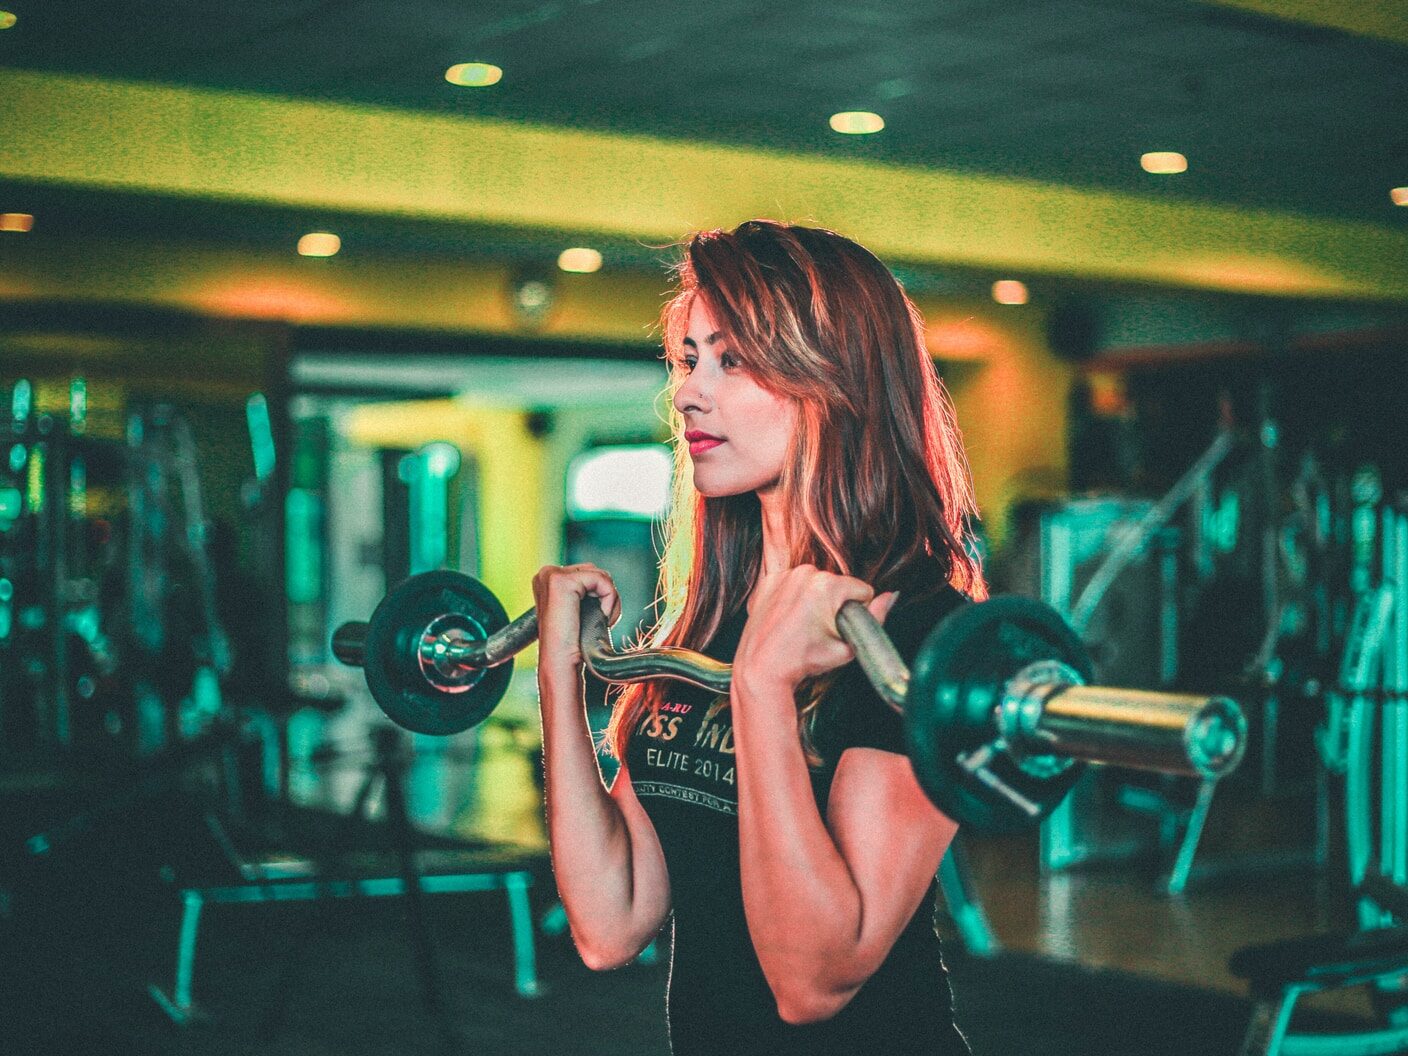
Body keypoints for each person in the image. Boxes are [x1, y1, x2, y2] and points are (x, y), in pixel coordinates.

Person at [533, 219, 986, 1055]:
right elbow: (609, 921)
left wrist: (762, 691)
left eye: (731, 359)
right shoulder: (713, 621)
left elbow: (815, 980)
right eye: (688, 359)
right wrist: (559, 678)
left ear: (833, 377)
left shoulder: (920, 634)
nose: (688, 392)